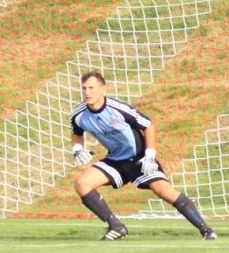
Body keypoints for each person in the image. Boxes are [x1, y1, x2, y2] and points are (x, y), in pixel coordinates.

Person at [70, 71, 216, 241]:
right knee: (82, 183)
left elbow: (148, 124)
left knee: (163, 190)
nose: (87, 92)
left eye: (92, 88)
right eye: (84, 88)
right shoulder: (78, 114)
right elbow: (77, 132)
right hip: (116, 160)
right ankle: (116, 227)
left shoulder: (118, 108)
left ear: (103, 88)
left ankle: (206, 230)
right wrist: (77, 149)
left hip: (140, 158)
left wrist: (149, 155)